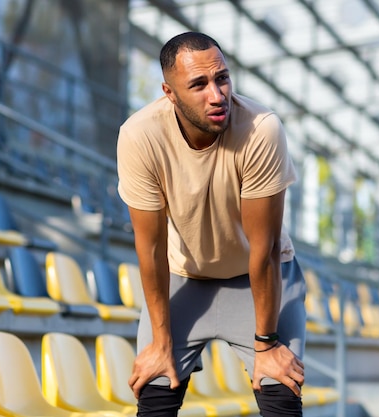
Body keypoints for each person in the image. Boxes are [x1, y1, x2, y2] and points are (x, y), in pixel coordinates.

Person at [116, 31, 307, 417]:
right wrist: (160, 341)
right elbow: (150, 249)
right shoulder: (139, 136)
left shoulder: (261, 129)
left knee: (281, 393)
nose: (217, 95)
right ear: (169, 93)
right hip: (186, 277)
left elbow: (264, 249)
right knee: (154, 390)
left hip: (259, 279)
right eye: (199, 84)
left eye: (222, 78)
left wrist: (267, 344)